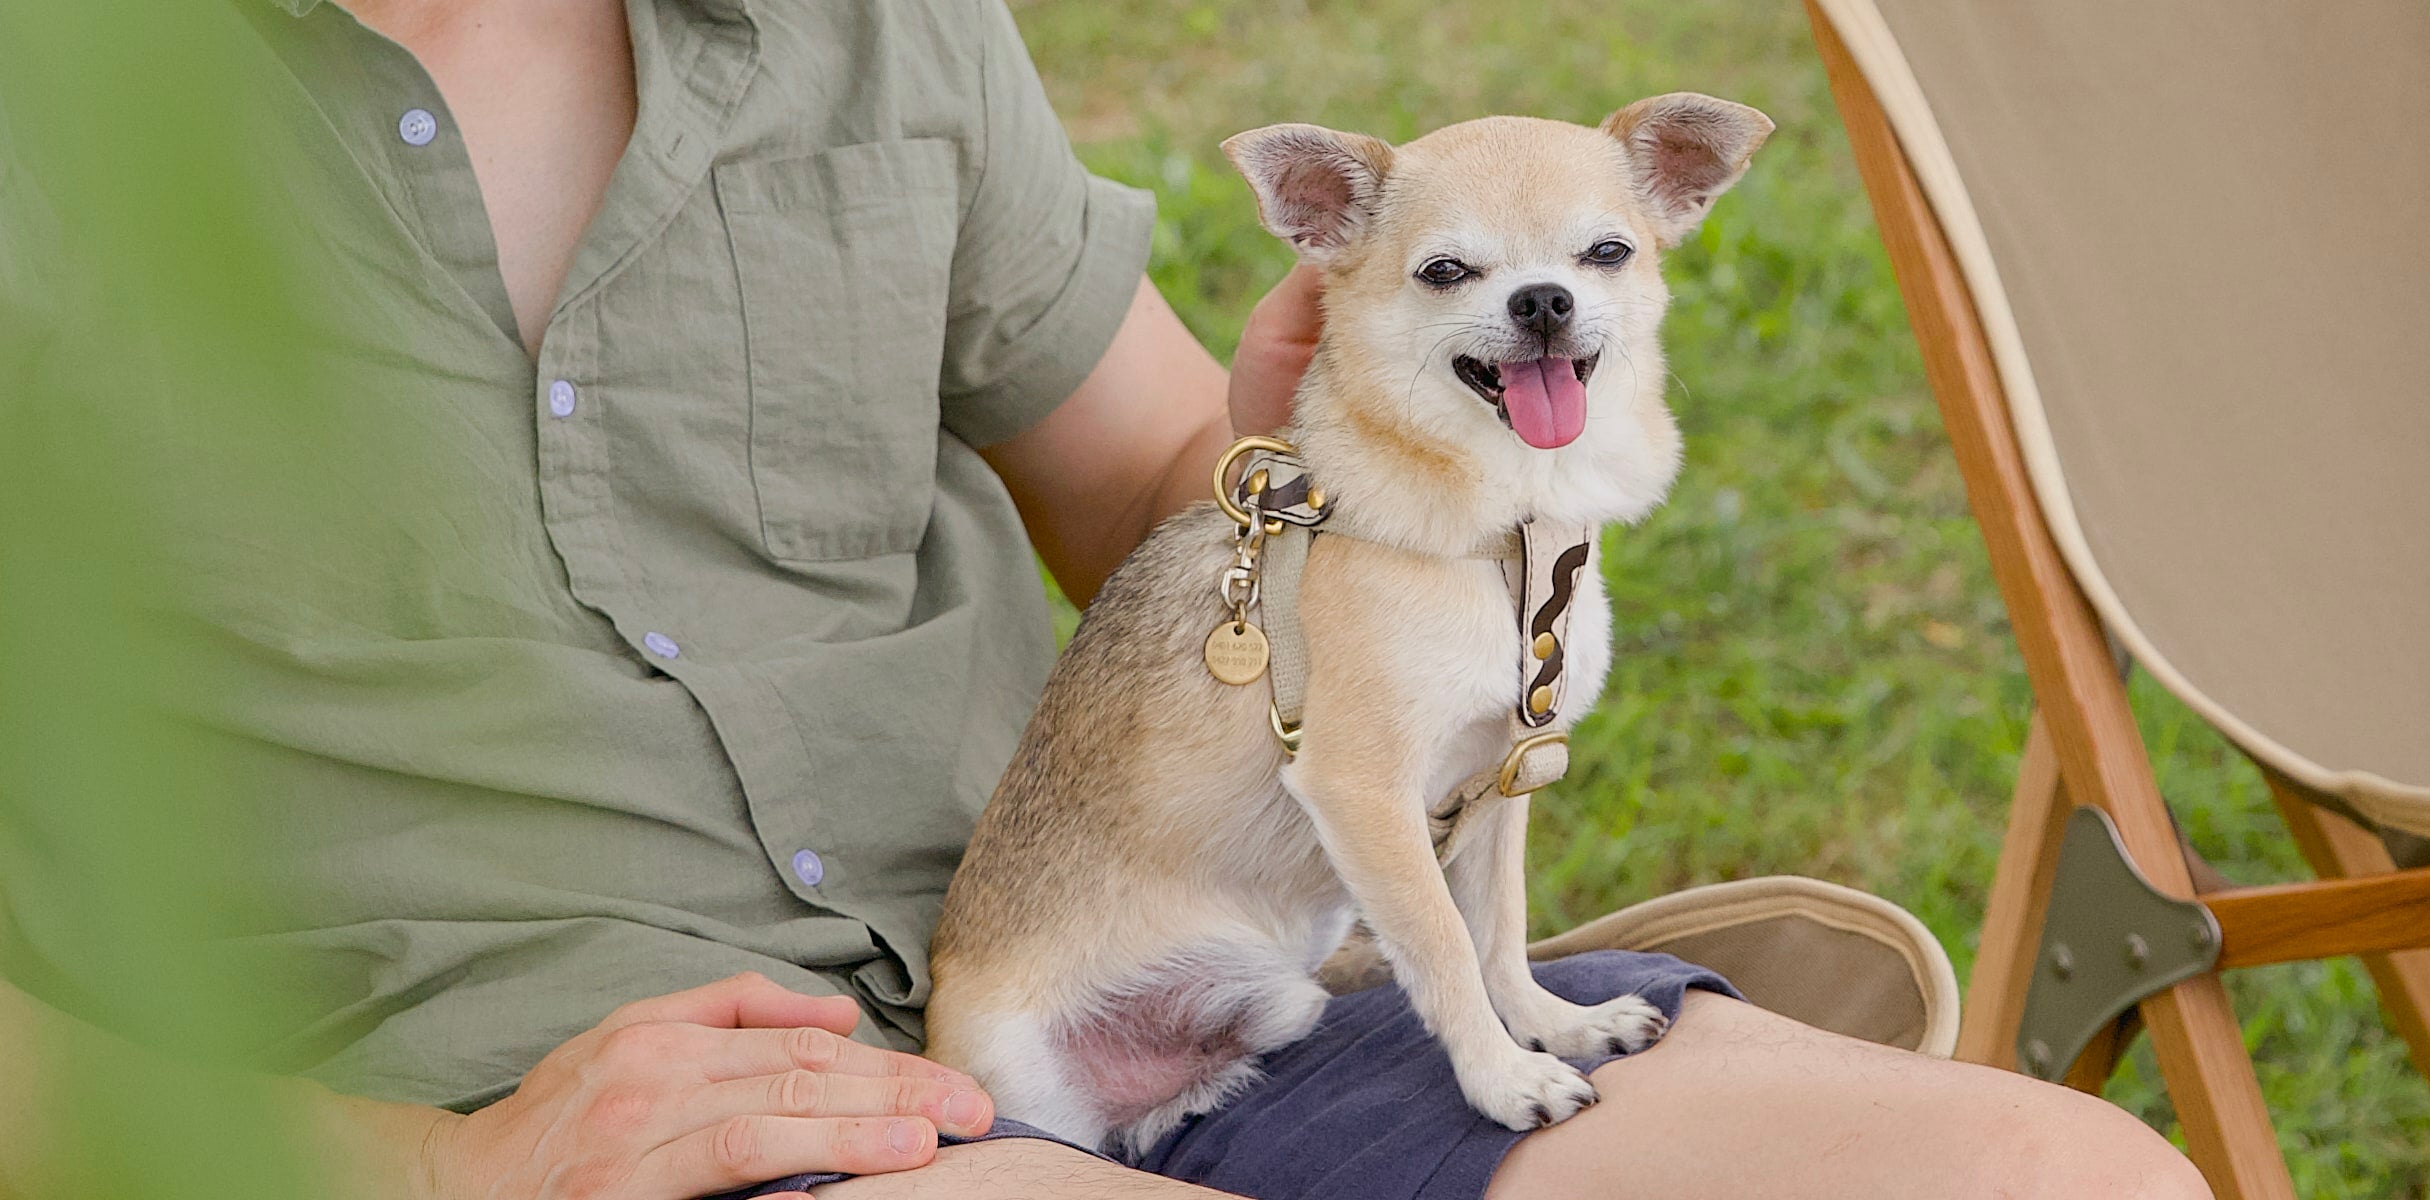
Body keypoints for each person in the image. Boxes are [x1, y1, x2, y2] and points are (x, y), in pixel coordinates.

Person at [0, 1, 2210, 1197]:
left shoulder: (864, 29)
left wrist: (1319, 469)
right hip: (571, 1111)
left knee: (2049, 1181)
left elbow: (1170, 479)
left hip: (1131, 986)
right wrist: (425, 1170)